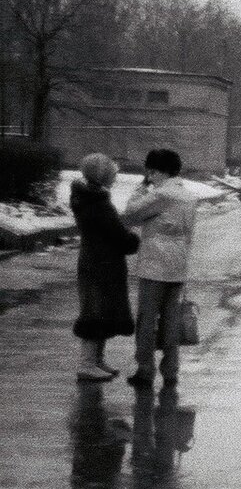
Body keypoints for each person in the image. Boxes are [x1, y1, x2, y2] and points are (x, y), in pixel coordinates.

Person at [123, 149, 197, 389]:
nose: (148, 175)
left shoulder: (161, 194)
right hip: (179, 264)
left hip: (155, 265)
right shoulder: (188, 195)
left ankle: (145, 369)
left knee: (146, 319)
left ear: (154, 170)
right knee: (171, 319)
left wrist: (141, 189)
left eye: (150, 171)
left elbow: (131, 215)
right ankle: (171, 369)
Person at [69, 153, 140, 382]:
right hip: (102, 264)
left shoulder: (88, 197)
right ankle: (87, 363)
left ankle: (96, 360)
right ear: (103, 175)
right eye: (112, 173)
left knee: (102, 311)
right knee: (96, 312)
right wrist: (132, 240)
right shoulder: (97, 202)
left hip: (95, 261)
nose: (115, 177)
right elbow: (116, 234)